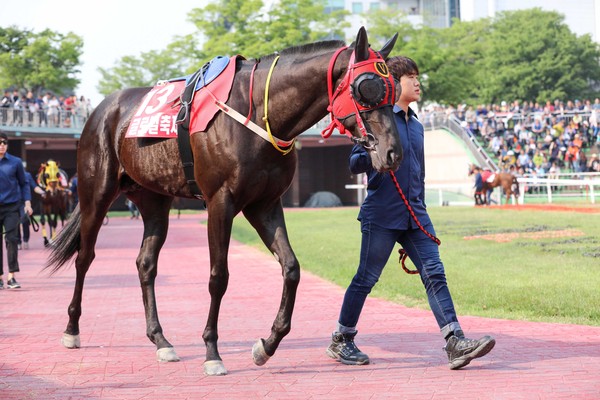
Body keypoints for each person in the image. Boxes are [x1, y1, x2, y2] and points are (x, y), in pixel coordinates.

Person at [325, 56, 495, 370]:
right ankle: (341, 338)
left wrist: (421, 210)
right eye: (411, 77)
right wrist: (368, 147)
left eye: (418, 77)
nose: (418, 83)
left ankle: (454, 341)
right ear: (393, 83)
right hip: (382, 213)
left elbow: (419, 174)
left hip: (416, 215)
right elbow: (354, 165)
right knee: (366, 278)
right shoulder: (377, 119)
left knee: (435, 274)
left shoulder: (416, 124)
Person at [0, 133, 33, 289]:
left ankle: (11, 276)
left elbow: (24, 183)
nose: (2, 145)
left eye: (4, 143)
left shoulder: (15, 162)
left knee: (12, 240)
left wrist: (27, 203)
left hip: (12, 207)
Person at [18, 168, 45, 249]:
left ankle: (25, 240)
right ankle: (18, 242)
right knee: (14, 222)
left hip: (25, 202)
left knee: (25, 220)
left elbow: (34, 187)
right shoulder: (11, 175)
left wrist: (42, 192)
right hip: (13, 202)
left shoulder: (27, 175)